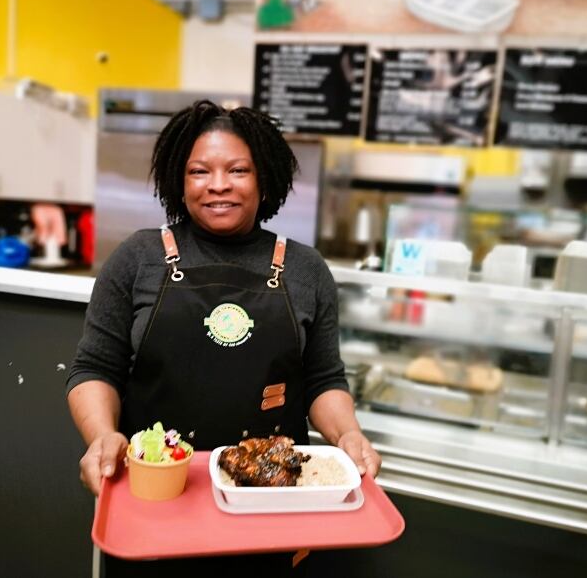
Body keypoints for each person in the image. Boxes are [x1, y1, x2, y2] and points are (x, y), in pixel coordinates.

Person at [66, 100, 381, 576]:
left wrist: (347, 435)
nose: (218, 185)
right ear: (179, 179)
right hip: (158, 494)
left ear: (264, 179)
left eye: (238, 170)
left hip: (269, 502)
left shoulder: (306, 269)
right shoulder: (138, 258)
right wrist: (103, 436)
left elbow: (323, 380)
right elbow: (95, 369)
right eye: (199, 171)